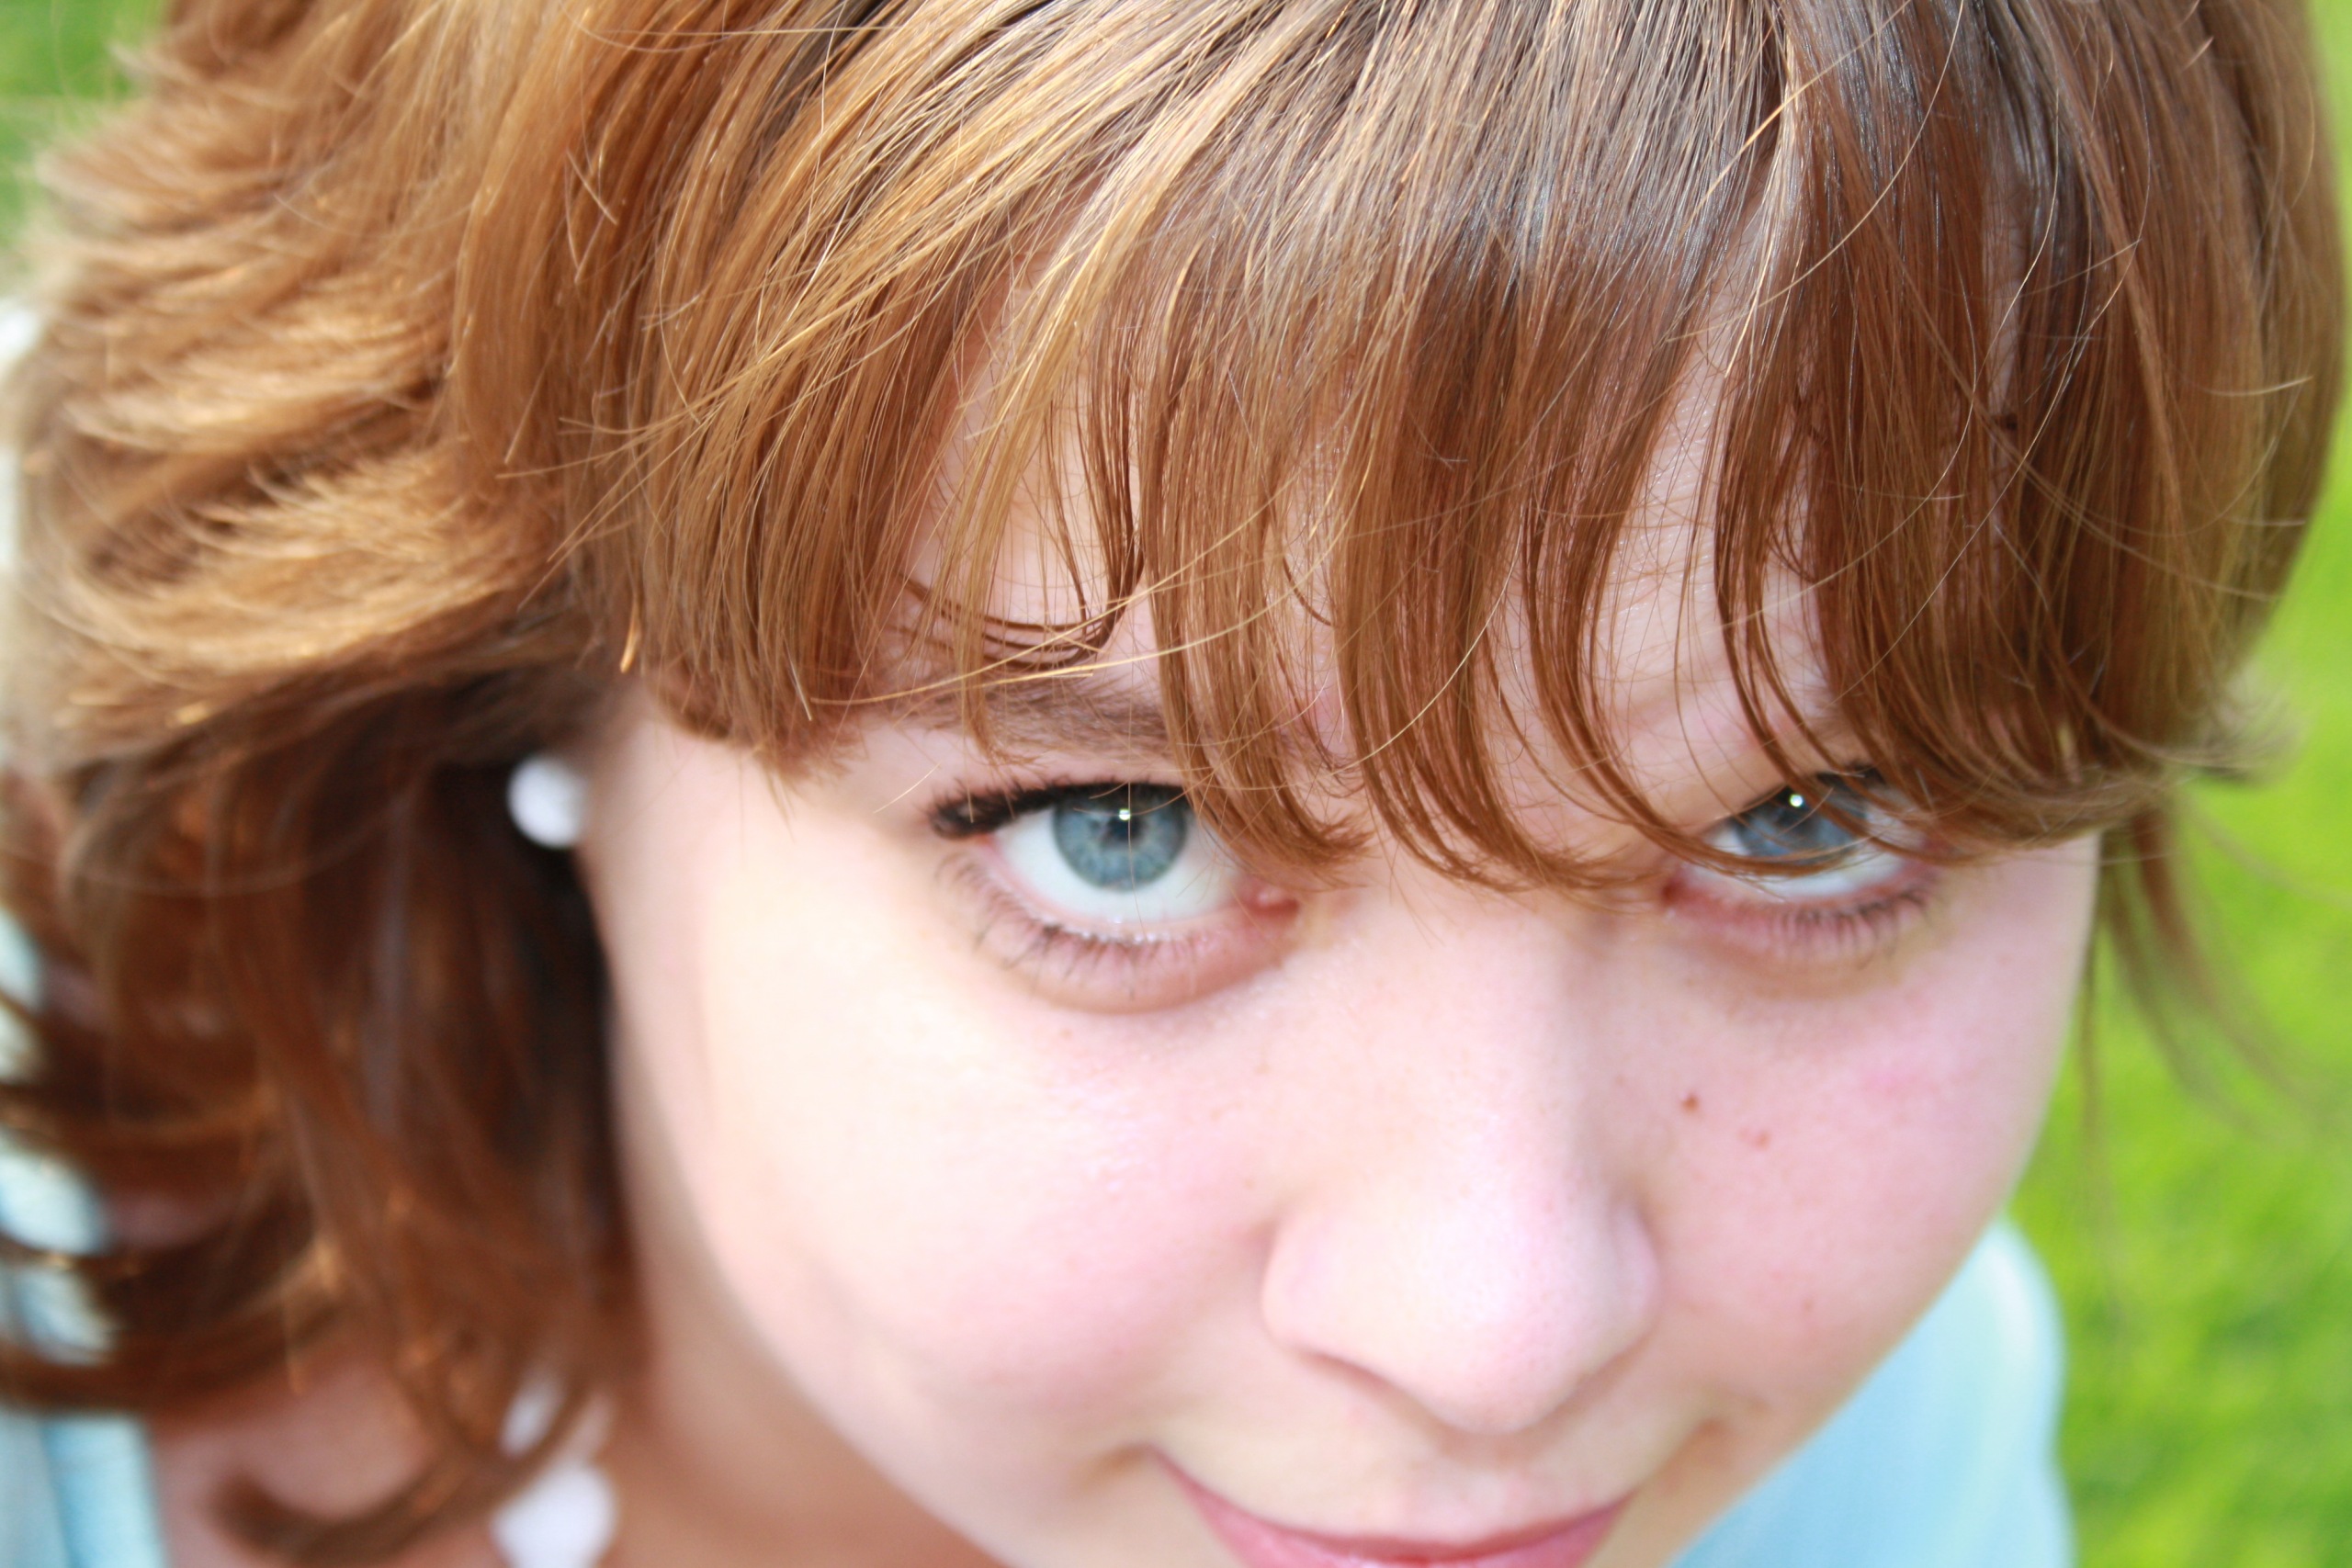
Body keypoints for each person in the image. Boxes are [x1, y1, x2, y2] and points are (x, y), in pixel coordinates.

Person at [0, 0, 2337, 1564]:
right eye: (1122, 830)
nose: (1502, 1333)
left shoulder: (1850, 1451)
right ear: (495, 680)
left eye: (1796, 821)